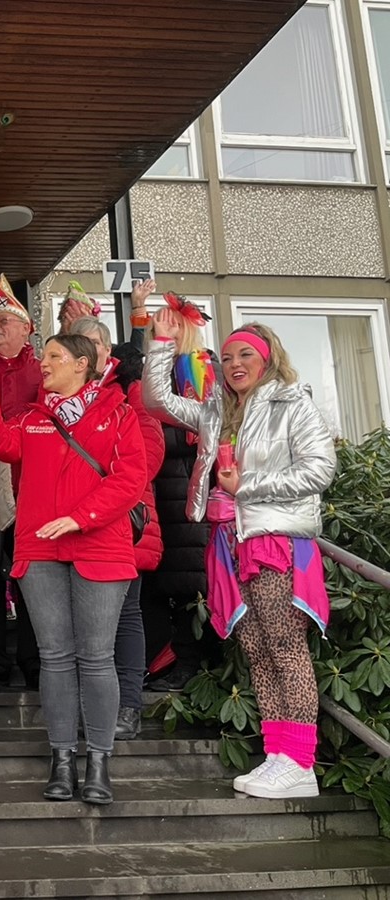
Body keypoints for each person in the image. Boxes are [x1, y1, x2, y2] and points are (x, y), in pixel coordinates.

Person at [144, 316, 336, 799]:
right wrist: (162, 342)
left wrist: (247, 487)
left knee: (285, 647)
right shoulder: (216, 409)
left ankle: (301, 763)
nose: (233, 365)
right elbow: (156, 401)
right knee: (255, 648)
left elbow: (320, 468)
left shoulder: (293, 403)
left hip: (276, 541)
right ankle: (278, 753)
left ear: (267, 357)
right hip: (229, 543)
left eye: (244, 355)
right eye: (226, 357)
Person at [0, 332, 147, 805]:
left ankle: (100, 762)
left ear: (82, 365)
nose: (42, 364)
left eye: (53, 356)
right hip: (41, 551)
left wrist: (80, 516)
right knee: (55, 658)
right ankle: (62, 759)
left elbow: (132, 480)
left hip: (101, 549)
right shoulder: (34, 418)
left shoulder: (119, 414)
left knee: (95, 658)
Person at [66, 315, 165, 740]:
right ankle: (90, 708)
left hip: (123, 521)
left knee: (125, 617)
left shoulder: (131, 393)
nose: (86, 353)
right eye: (78, 346)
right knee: (78, 623)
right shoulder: (63, 396)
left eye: (93, 344)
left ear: (107, 351)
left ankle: (127, 706)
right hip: (75, 526)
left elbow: (151, 455)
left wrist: (99, 489)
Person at [139, 292, 221, 690]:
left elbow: (203, 433)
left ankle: (192, 665)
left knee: (194, 583)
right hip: (161, 495)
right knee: (165, 581)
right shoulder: (157, 371)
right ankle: (171, 660)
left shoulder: (203, 371)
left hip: (191, 491)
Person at [0, 275, 42, 691]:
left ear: (26, 328)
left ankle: (34, 663)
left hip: (35, 490)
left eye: (4, 319)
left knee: (34, 581)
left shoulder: (44, 369)